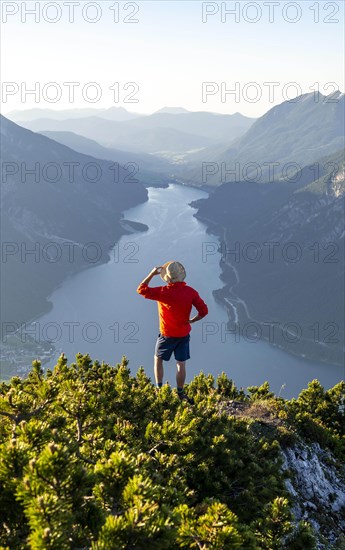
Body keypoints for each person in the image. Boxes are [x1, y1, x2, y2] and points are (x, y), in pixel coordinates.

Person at [137, 261, 208, 404]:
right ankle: (180, 393)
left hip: (167, 335)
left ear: (167, 278)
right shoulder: (191, 292)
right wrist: (192, 321)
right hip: (183, 335)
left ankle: (159, 389)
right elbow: (204, 311)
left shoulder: (163, 292)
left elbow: (141, 289)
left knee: (158, 359)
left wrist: (151, 274)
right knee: (181, 364)